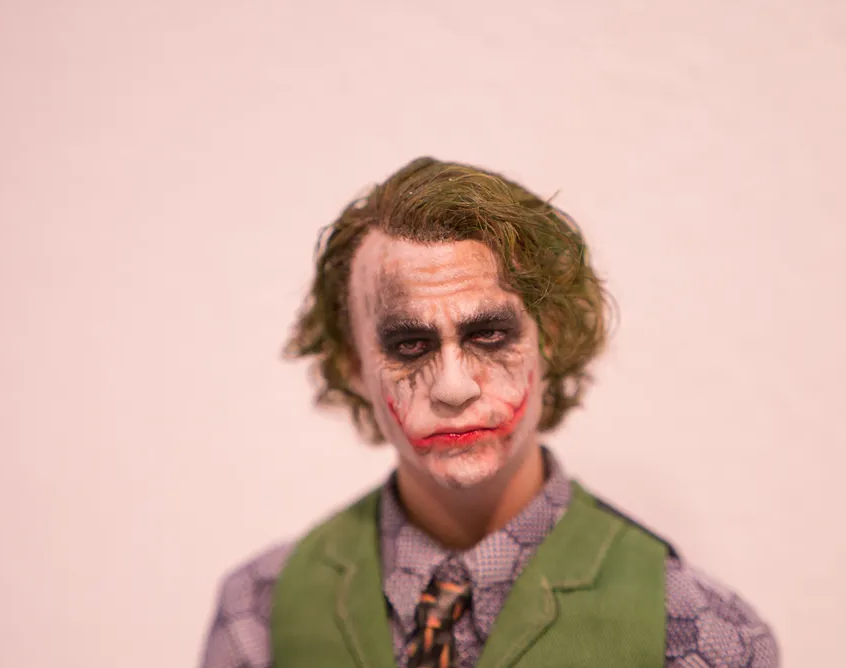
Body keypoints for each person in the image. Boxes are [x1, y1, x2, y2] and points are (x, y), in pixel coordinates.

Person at [198, 157, 779, 667]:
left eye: (490, 335)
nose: (453, 388)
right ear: (353, 365)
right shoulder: (259, 613)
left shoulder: (701, 634)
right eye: (409, 345)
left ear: (550, 336)